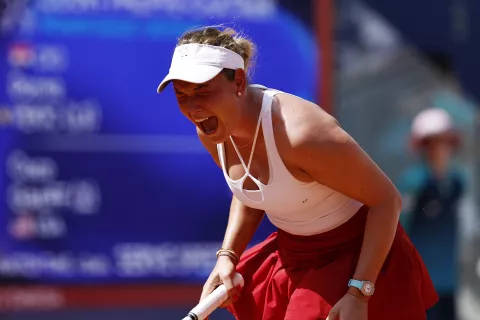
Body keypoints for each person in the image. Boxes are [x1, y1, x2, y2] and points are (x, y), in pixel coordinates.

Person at [156, 26, 438, 320]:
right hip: (295, 258)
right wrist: (227, 256)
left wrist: (359, 291)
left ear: (238, 81)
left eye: (202, 90)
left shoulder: (303, 135)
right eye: (181, 94)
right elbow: (252, 191)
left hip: (357, 257)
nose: (192, 106)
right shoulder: (211, 130)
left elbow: (387, 200)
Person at [399, 108, 466, 320]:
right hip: (421, 285)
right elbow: (399, 229)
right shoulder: (414, 182)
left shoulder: (457, 182)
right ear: (424, 146)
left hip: (449, 281)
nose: (441, 148)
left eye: (446, 141)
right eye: (435, 142)